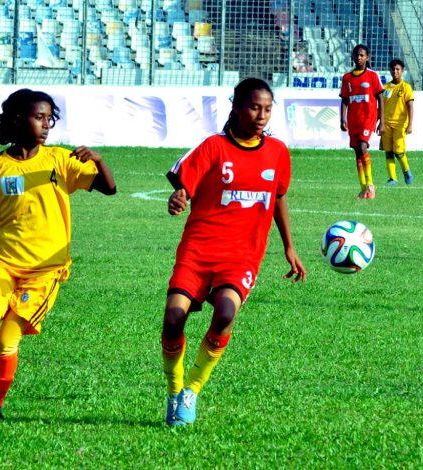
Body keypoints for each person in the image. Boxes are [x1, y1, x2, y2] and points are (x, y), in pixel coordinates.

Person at [0, 89, 117, 422]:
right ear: (19, 119)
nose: (46, 125)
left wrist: (99, 161)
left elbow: (108, 188)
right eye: (39, 117)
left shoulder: (60, 160)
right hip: (4, 263)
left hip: (46, 271)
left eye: (50, 119)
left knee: (6, 340)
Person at [162, 78, 306, 427]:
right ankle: (173, 389)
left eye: (268, 109)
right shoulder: (213, 147)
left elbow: (279, 197)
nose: (262, 115)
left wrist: (289, 245)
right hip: (198, 250)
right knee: (172, 320)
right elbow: (183, 180)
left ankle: (192, 390)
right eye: (255, 107)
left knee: (226, 313)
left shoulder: (277, 152)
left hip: (242, 254)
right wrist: (180, 195)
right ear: (237, 108)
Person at [340, 44, 385, 199]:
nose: (359, 58)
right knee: (357, 152)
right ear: (352, 57)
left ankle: (370, 186)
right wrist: (343, 118)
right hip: (354, 119)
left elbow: (380, 98)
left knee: (362, 147)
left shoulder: (372, 76)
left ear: (367, 57)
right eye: (356, 55)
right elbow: (345, 100)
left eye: (362, 55)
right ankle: (362, 188)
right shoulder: (347, 78)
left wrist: (382, 121)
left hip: (369, 117)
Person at [380, 59, 414, 186]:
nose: (395, 72)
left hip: (400, 124)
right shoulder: (385, 88)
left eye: (398, 69)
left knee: (399, 151)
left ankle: (406, 171)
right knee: (388, 152)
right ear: (390, 71)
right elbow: (381, 106)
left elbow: (410, 106)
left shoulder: (406, 87)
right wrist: (380, 122)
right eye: (393, 69)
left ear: (402, 71)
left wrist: (410, 124)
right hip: (386, 124)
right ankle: (392, 178)